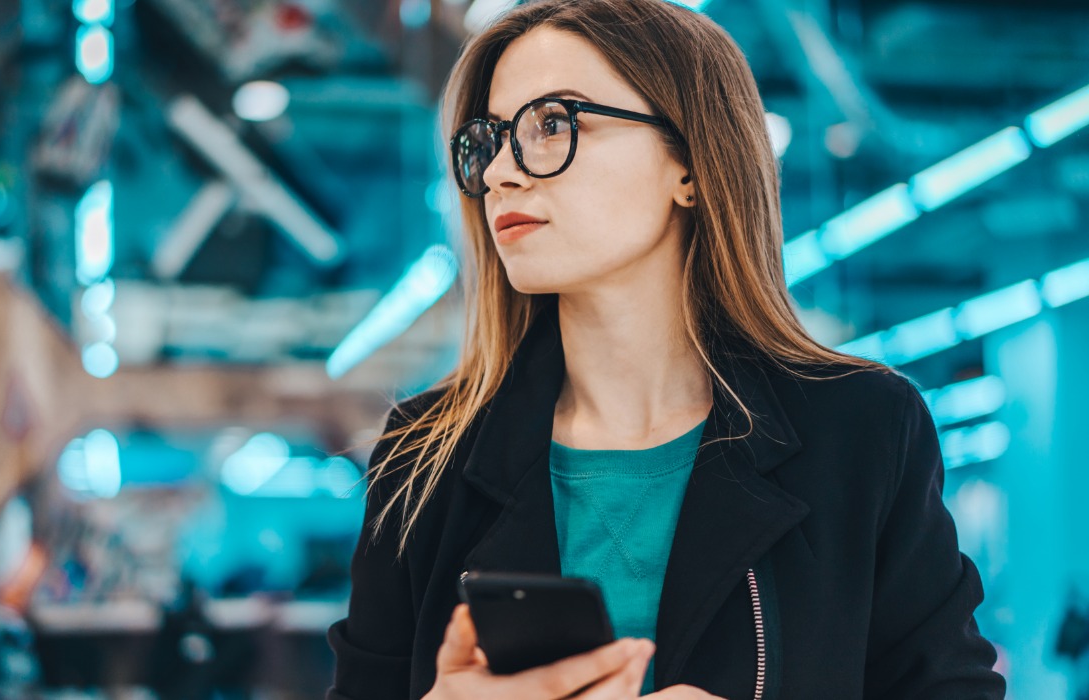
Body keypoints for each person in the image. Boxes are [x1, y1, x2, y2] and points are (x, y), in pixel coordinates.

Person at [326, 1, 1007, 698]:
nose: (500, 171)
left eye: (554, 124)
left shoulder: (861, 431)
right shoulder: (425, 456)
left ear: (689, 164)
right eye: (489, 139)